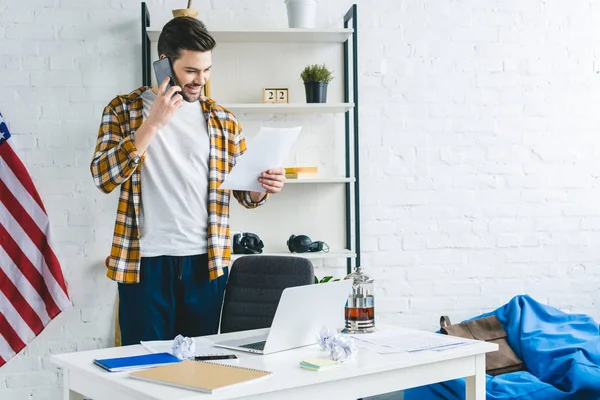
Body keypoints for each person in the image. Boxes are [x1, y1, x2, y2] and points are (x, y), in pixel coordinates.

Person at [90, 17, 285, 346]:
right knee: (143, 370)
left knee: (199, 368)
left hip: (205, 265)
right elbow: (103, 177)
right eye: (192, 70)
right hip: (144, 264)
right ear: (164, 64)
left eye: (206, 69)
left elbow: (245, 194)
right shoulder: (122, 110)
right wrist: (152, 125)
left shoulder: (223, 121)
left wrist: (261, 185)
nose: (201, 80)